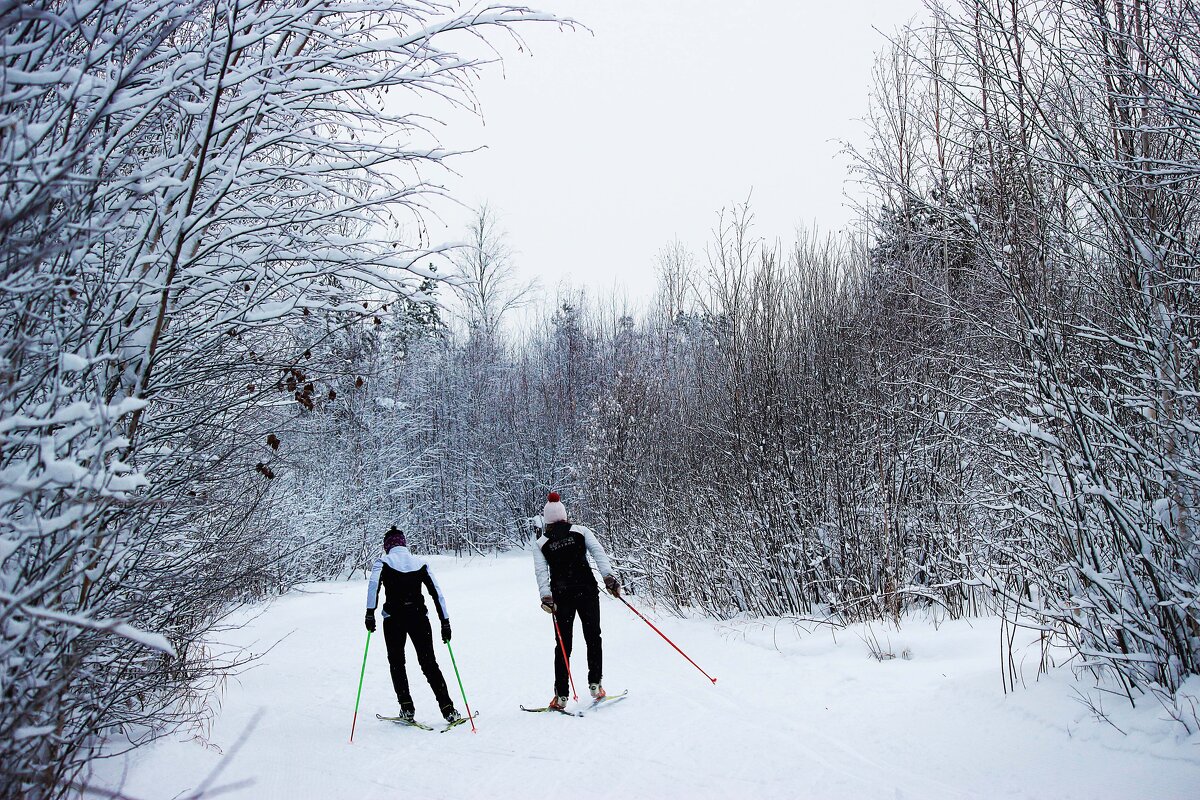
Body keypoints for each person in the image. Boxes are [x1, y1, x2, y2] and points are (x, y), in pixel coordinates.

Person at [533, 491, 620, 709]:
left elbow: (541, 572)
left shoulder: (542, 542)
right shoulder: (581, 531)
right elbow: (599, 553)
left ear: (547, 520)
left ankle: (561, 695)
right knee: (593, 636)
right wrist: (608, 578)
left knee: (563, 644)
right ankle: (595, 684)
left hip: (561, 598)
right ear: (564, 515)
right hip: (587, 591)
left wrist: (546, 596)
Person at [365, 526, 460, 723]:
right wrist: (445, 622)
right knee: (429, 663)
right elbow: (437, 593)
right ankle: (448, 709)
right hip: (418, 618)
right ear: (404, 543)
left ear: (387, 546)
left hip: (393, 619)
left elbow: (373, 585)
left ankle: (406, 707)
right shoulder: (420, 563)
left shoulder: (383, 562)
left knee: (397, 663)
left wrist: (369, 613)